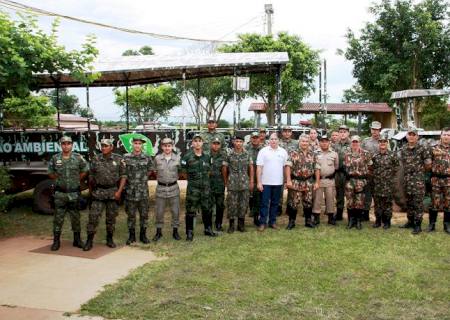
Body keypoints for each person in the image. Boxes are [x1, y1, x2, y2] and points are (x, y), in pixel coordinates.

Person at [84, 138, 126, 251]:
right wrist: (91, 191)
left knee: (111, 218)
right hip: (98, 193)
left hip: (113, 192)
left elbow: (123, 176)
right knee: (93, 217)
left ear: (111, 147)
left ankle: (109, 239)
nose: (103, 148)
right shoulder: (96, 159)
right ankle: (89, 240)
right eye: (102, 146)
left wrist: (119, 192)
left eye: (106, 146)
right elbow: (91, 176)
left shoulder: (118, 159)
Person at [48, 136, 89, 251]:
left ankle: (77, 240)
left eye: (68, 143)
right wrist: (58, 180)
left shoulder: (78, 158)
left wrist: (76, 179)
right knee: (58, 218)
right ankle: (56, 242)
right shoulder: (55, 158)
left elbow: (85, 170)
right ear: (61, 145)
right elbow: (50, 172)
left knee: (75, 218)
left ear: (72, 145)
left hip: (74, 194)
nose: (66, 145)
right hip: (60, 194)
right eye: (64, 143)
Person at [181, 134, 217, 241]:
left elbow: (209, 171)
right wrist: (194, 181)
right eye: (195, 141)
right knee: (190, 210)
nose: (197, 143)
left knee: (207, 209)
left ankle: (208, 229)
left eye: (199, 141)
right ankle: (189, 232)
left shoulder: (207, 156)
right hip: (193, 189)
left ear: (202, 143)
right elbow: (183, 173)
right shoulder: (187, 157)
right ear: (192, 143)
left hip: (205, 188)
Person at [399, 128, 432, 234]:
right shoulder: (403, 149)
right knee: (408, 202)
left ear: (417, 137)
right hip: (407, 180)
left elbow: (428, 164)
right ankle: (410, 221)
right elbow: (403, 163)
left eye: (414, 135)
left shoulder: (423, 148)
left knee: (417, 203)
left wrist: (419, 173)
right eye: (410, 134)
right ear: (407, 136)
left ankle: (417, 225)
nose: (412, 136)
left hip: (418, 181)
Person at [285, 135, 320, 229]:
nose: (304, 143)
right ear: (299, 142)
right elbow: (288, 166)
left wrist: (317, 182)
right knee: (294, 202)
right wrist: (288, 180)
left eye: (306, 141)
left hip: (308, 181)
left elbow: (317, 168)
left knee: (308, 202)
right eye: (302, 141)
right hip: (296, 181)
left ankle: (308, 221)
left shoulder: (313, 154)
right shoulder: (293, 153)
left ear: (309, 142)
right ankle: (291, 222)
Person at [123, 137, 153, 245]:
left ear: (142, 145)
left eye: (139, 143)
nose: (137, 145)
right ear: (132, 145)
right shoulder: (126, 157)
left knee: (144, 215)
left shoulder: (147, 157)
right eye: (135, 143)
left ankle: (143, 235)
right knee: (131, 215)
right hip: (130, 191)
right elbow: (123, 173)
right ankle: (131, 236)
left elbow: (150, 170)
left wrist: (141, 179)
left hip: (143, 192)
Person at [256, 133, 288, 231]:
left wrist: (286, 181)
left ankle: (272, 222)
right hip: (265, 182)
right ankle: (262, 223)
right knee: (264, 203)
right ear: (268, 140)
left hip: (278, 183)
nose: (273, 141)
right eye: (271, 139)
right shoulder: (263, 151)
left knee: (275, 203)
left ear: (278, 140)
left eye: (275, 139)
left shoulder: (283, 152)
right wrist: (259, 182)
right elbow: (259, 167)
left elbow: (285, 168)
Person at [151, 138, 181, 242]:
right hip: (161, 188)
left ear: (172, 146)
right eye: (165, 146)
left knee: (175, 211)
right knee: (159, 212)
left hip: (173, 188)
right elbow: (154, 171)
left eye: (169, 145)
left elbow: (181, 172)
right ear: (162, 147)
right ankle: (158, 232)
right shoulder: (157, 158)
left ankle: (175, 231)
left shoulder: (177, 159)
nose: (167, 148)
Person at [223, 136, 253, 233]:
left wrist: (251, 181)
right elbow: (224, 168)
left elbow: (251, 167)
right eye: (237, 141)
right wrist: (226, 181)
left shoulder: (247, 154)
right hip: (232, 182)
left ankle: (241, 224)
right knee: (231, 204)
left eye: (240, 141)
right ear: (233, 142)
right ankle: (231, 225)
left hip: (244, 183)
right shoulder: (229, 154)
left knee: (243, 204)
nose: (239, 143)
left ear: (243, 142)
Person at [343, 135, 372, 230]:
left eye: (356, 142)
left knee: (359, 202)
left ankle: (358, 221)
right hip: (350, 181)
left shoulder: (366, 154)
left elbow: (370, 166)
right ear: (351, 143)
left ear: (360, 142)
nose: (355, 143)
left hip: (361, 181)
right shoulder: (346, 154)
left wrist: (366, 178)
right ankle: (351, 221)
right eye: (353, 142)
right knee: (350, 201)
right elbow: (344, 167)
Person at [371, 134, 399, 229]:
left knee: (387, 204)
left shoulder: (392, 155)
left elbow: (397, 168)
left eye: (384, 142)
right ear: (378, 143)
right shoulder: (374, 156)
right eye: (380, 142)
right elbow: (371, 168)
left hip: (388, 184)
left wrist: (390, 178)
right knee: (377, 204)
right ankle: (378, 221)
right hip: (377, 184)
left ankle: (387, 222)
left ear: (387, 143)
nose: (382, 143)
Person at [312, 135, 338, 225]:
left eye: (326, 141)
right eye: (322, 141)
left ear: (329, 142)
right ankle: (316, 218)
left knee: (330, 199)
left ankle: (330, 218)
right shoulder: (315, 153)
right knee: (317, 199)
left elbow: (336, 166)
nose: (324, 143)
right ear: (319, 143)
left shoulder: (334, 154)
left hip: (329, 180)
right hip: (318, 180)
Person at [429, 128, 450, 234]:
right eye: (444, 134)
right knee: (434, 203)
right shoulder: (434, 148)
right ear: (441, 136)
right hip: (436, 179)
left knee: (448, 203)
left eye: (448, 135)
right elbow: (428, 164)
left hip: (449, 180)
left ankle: (447, 225)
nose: (446, 137)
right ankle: (431, 225)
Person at [361, 121, 383, 221]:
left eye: (377, 130)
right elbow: (361, 155)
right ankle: (365, 214)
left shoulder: (384, 141)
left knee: (378, 194)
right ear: (371, 130)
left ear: (380, 130)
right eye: (373, 129)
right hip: (368, 172)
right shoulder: (365, 141)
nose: (375, 131)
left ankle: (379, 216)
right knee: (367, 193)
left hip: (380, 172)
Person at [245, 132, 263, 226]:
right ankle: (247, 214)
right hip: (248, 176)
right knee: (248, 196)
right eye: (253, 138)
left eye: (257, 137)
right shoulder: (246, 149)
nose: (255, 139)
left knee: (258, 197)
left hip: (260, 177)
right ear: (251, 139)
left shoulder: (264, 149)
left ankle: (256, 217)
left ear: (259, 138)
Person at [334, 124, 351, 221]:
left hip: (348, 174)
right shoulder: (335, 145)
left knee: (349, 194)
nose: (342, 134)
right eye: (340, 132)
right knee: (339, 194)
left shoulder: (352, 144)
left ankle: (350, 214)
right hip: (338, 173)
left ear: (348, 133)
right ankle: (339, 213)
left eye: (344, 132)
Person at [209, 137, 226, 231]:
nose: (216, 145)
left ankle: (218, 223)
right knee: (209, 205)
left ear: (220, 145)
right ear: (211, 144)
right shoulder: (206, 155)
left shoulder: (223, 155)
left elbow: (225, 169)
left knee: (220, 205)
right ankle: (209, 224)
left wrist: (225, 182)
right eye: (214, 143)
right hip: (209, 184)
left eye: (218, 144)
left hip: (219, 183)